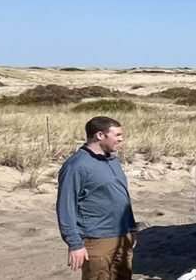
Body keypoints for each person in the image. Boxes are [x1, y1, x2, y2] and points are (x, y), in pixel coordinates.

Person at [57, 116, 138, 280]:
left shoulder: (113, 161)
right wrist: (75, 244)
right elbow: (66, 207)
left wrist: (131, 228)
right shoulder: (76, 166)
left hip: (122, 236)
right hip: (96, 239)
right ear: (100, 135)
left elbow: (122, 199)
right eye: (117, 135)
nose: (121, 139)